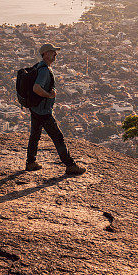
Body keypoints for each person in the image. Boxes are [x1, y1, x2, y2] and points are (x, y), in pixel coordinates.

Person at [26, 43, 86, 176]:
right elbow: (36, 88)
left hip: (35, 108)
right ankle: (70, 165)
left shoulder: (38, 66)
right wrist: (49, 95)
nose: (55, 54)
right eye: (53, 52)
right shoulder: (44, 70)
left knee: (35, 135)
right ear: (46, 54)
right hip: (43, 111)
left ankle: (30, 162)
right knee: (58, 137)